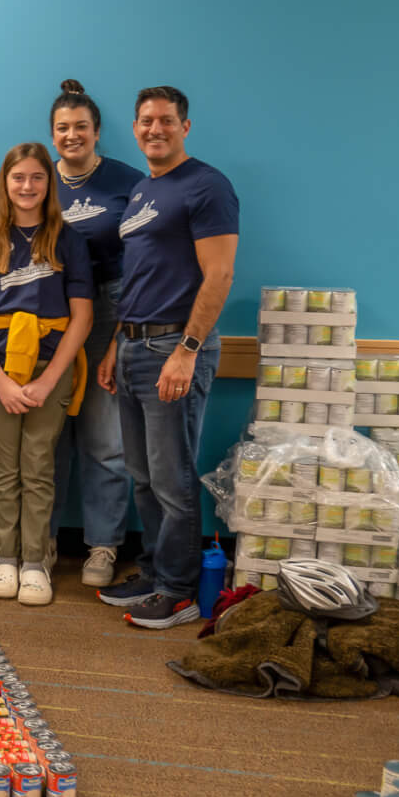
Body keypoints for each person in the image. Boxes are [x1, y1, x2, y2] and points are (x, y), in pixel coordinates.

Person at [97, 86, 237, 628]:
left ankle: (179, 591)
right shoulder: (142, 192)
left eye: (165, 121)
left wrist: (187, 349)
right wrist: (116, 344)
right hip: (133, 344)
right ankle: (155, 573)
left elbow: (219, 273)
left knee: (173, 477)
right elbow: (140, 276)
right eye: (146, 121)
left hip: (173, 348)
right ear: (134, 128)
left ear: (185, 126)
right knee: (142, 475)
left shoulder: (207, 185)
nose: (154, 129)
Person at [0, 142, 93, 606]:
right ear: (5, 183)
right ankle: (5, 559)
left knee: (38, 467)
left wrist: (48, 379)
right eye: (19, 178)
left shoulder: (67, 239)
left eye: (37, 177)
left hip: (47, 372)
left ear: (48, 184)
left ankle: (35, 561)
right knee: (3, 470)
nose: (27, 186)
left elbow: (82, 318)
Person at [46, 79, 142, 587]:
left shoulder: (127, 180)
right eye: (63, 128)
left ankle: (103, 545)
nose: (72, 135)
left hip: (110, 308)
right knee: (50, 436)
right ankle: (41, 544)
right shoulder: (38, 181)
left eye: (81, 126)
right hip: (48, 313)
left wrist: (125, 325)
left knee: (105, 438)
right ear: (52, 134)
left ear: (98, 132)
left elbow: (147, 256)